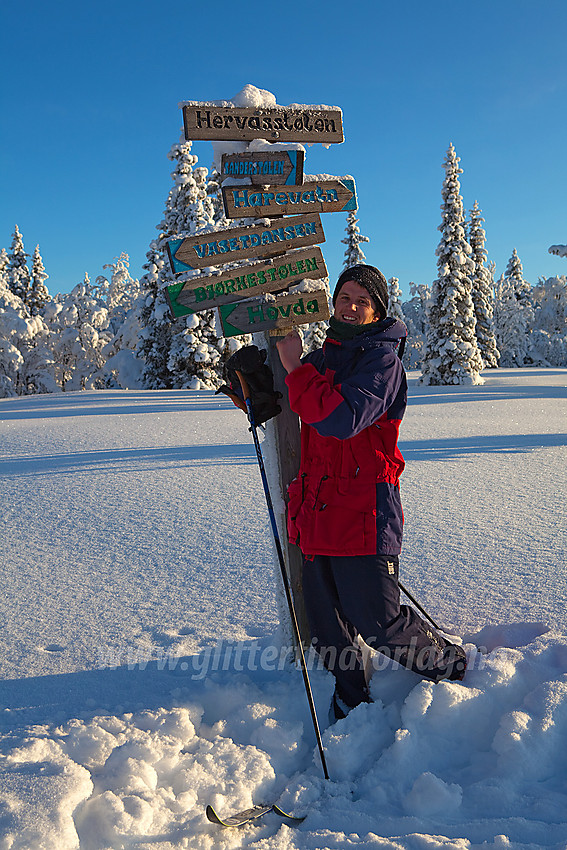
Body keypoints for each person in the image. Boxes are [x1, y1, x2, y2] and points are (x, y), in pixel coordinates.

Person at [276, 264, 466, 721]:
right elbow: (291, 396)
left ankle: (451, 664)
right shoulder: (324, 358)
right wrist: (251, 381)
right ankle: (351, 699)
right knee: (329, 628)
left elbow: (341, 419)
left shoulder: (381, 361)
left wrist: (295, 368)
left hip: (363, 511)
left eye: (363, 300)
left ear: (377, 310)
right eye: (345, 296)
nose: (352, 305)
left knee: (379, 622)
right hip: (319, 511)